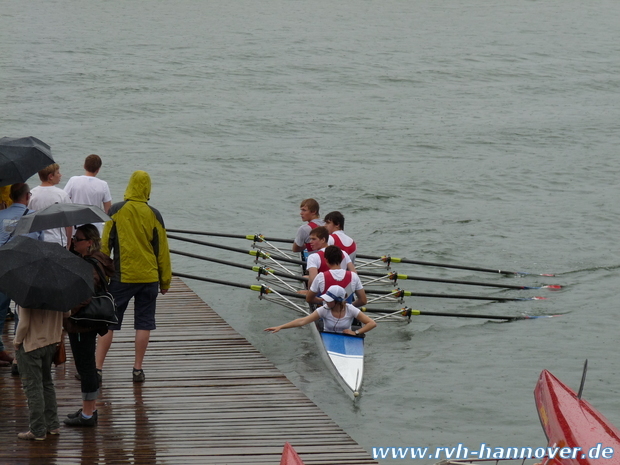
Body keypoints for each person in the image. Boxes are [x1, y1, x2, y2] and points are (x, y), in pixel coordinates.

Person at [96, 170, 172, 383]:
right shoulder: (154, 214)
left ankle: (98, 367)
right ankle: (137, 369)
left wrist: (101, 274)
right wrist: (165, 280)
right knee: (144, 323)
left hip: (122, 276)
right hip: (149, 278)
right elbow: (162, 251)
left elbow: (105, 245)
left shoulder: (116, 210)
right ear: (147, 188)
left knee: (109, 322)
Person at [63, 224, 114, 427]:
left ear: (89, 242)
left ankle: (87, 414)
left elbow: (84, 294)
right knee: (87, 366)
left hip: (81, 323)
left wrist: (68, 310)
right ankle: (89, 407)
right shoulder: (94, 260)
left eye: (78, 239)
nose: (74, 241)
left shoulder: (89, 266)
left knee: (86, 367)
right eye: (74, 238)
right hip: (88, 322)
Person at [0, 184, 45, 369]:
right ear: (28, 196)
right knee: (22, 313)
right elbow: (40, 247)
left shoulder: (1, 215)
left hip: (2, 268)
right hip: (25, 269)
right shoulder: (35, 218)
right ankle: (21, 355)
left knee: (0, 310)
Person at [14, 305, 68, 440]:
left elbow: (24, 324)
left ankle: (37, 429)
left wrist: (16, 341)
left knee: (33, 387)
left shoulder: (26, 298)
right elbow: (67, 313)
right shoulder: (57, 291)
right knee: (47, 383)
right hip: (51, 343)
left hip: (31, 345)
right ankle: (53, 424)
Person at [265, 285, 376, 336]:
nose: (325, 301)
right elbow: (302, 321)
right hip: (327, 337)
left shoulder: (350, 309)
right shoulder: (324, 309)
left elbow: (372, 323)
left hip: (347, 338)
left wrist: (355, 332)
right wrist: (280, 327)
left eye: (329, 300)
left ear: (338, 301)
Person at [63, 154, 113, 234]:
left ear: (84, 166)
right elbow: (108, 211)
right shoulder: (103, 185)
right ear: (98, 169)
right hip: (95, 228)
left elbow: (63, 201)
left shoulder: (73, 181)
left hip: (76, 226)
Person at [28, 163, 72, 249]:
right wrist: (69, 241)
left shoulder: (32, 194)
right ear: (51, 176)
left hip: (37, 241)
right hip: (57, 241)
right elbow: (68, 222)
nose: (60, 175)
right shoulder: (62, 195)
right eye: (58, 173)